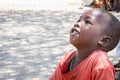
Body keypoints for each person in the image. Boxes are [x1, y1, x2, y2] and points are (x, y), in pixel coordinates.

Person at [50, 8, 120, 80]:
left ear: (104, 41)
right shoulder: (67, 58)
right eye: (79, 20)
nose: (77, 24)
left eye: (87, 22)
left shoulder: (101, 65)